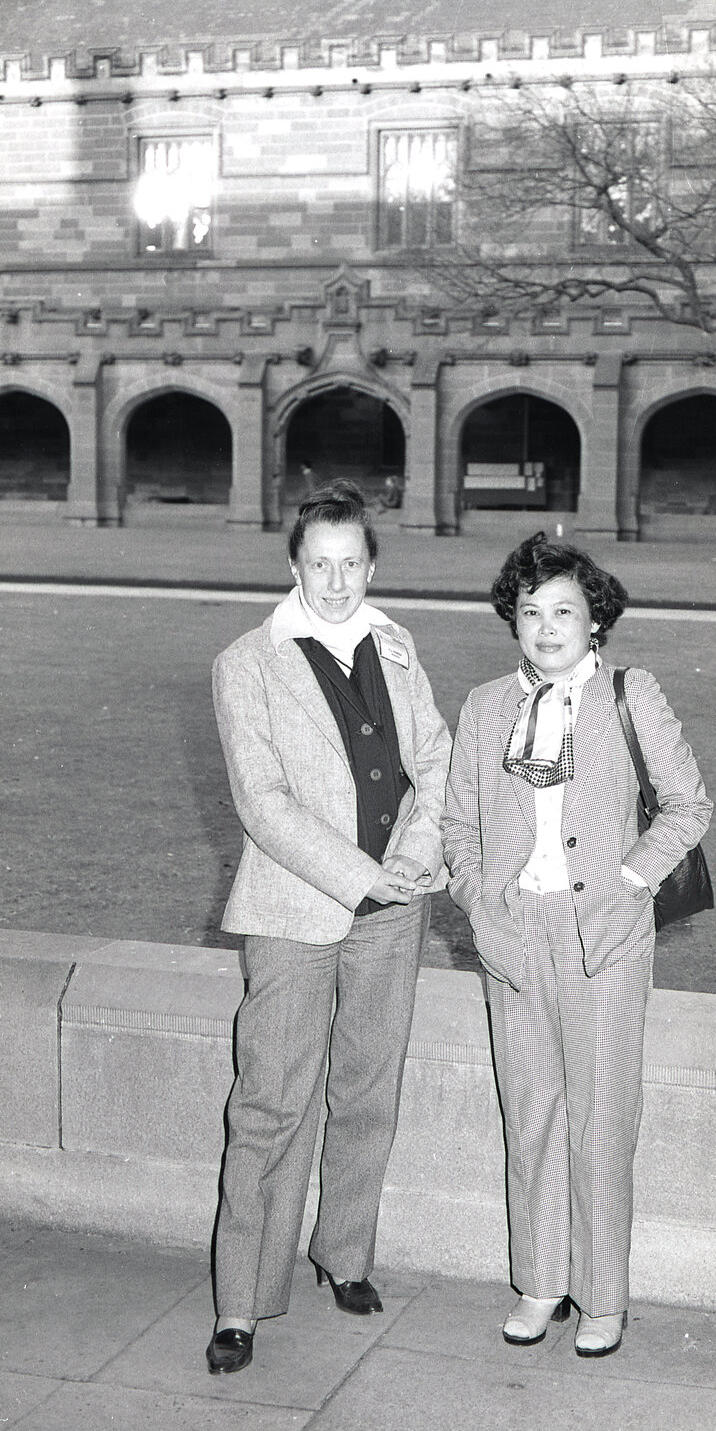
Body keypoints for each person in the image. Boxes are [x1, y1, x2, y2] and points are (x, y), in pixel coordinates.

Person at [442, 531, 712, 1359]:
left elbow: (687, 806)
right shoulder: (487, 707)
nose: (547, 627)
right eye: (530, 611)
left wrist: (629, 884)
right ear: (512, 620)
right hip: (513, 932)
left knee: (601, 1121)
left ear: (595, 620)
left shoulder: (632, 694)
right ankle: (541, 1283)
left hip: (605, 937)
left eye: (564, 611)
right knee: (531, 1118)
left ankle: (603, 1299)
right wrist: (480, 901)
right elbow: (457, 825)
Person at [206, 479, 451, 1375]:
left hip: (397, 912)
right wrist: (364, 878)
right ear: (295, 565)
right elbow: (262, 805)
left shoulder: (396, 644)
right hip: (294, 911)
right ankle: (243, 1301)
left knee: (368, 1093)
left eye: (352, 563)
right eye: (321, 564)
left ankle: (345, 1255)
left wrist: (416, 860)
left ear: (371, 564)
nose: (338, 580)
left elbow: (435, 758)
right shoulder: (247, 663)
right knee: (271, 1105)